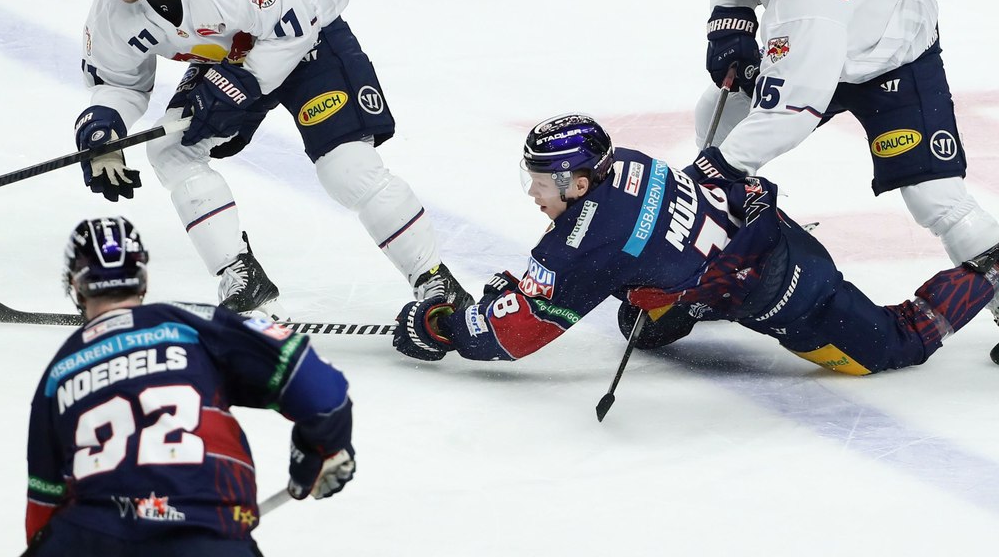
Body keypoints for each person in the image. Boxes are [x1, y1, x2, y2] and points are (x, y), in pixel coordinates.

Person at [70, 0, 472, 317]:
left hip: (307, 34)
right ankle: (242, 277)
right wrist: (103, 127)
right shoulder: (114, 10)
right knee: (171, 150)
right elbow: (117, 82)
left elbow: (292, 27)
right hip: (234, 52)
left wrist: (240, 84)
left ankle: (436, 283)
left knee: (346, 168)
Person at [392, 114, 999, 374]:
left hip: (797, 295)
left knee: (896, 345)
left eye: (543, 181)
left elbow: (517, 334)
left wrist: (444, 327)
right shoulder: (625, 162)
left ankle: (992, 270)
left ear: (578, 182)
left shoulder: (586, 243)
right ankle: (682, 307)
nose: (533, 192)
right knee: (640, 307)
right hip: (764, 244)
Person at [698, 0, 999, 266]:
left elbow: (788, 114)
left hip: (895, 59)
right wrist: (732, 19)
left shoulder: (810, 8)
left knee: (935, 198)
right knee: (719, 113)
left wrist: (718, 168)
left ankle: (993, 270)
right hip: (842, 38)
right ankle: (728, 219)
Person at [25, 216, 356, 556]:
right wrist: (315, 454)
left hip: (89, 538)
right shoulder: (191, 324)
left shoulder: (59, 372)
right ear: (142, 278)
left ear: (75, 284)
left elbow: (42, 513)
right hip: (206, 536)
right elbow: (324, 394)